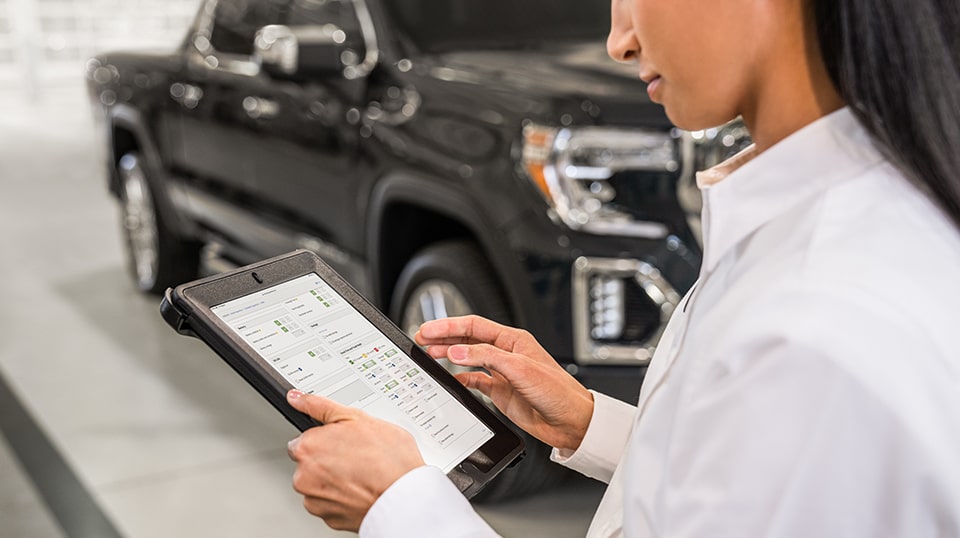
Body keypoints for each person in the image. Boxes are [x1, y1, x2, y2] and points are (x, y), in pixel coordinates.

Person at [284, 0, 960, 535]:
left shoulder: (819, 326)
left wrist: (401, 510)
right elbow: (755, 483)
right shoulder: (850, 223)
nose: (619, 39)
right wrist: (588, 424)